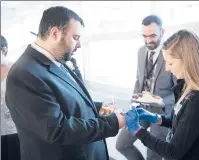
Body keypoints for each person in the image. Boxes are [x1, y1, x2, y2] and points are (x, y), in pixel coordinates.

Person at [5, 6, 125, 160]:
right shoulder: (24, 74)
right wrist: (111, 124)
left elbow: (65, 100)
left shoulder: (57, 61)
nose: (80, 45)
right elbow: (56, 129)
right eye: (75, 37)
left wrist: (97, 107)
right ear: (54, 33)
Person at [125, 29, 199, 160]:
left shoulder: (198, 102)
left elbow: (173, 152)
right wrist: (157, 118)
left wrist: (137, 130)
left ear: (188, 61)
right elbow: (184, 124)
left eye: (170, 63)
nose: (167, 68)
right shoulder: (186, 88)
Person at [116, 15, 176, 160]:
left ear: (162, 32)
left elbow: (179, 92)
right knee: (122, 144)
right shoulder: (141, 51)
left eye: (153, 36)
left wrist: (162, 101)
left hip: (162, 112)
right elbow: (139, 80)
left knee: (153, 155)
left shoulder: (172, 53)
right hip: (141, 109)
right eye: (145, 36)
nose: (148, 40)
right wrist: (132, 107)